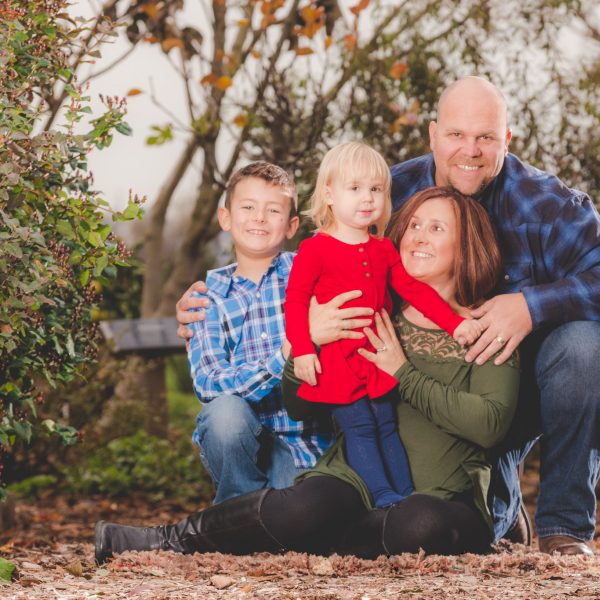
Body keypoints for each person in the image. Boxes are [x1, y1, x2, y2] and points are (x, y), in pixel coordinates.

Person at [175, 76, 600, 555]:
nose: (469, 150)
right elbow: (321, 261)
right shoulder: (392, 191)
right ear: (432, 135)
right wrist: (221, 296)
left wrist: (530, 306)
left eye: (486, 137)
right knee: (367, 494)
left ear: (506, 140)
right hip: (405, 389)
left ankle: (565, 529)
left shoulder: (544, 203)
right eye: (456, 135)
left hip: (515, 381)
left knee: (587, 342)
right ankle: (485, 504)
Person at [95, 186, 519, 564]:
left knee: (419, 523)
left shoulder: (487, 325)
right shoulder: (372, 310)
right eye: (414, 225)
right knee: (303, 506)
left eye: (438, 229)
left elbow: (489, 426)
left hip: (445, 495)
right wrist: (307, 347)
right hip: (357, 482)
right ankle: (159, 540)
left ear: (467, 245)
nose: (419, 237)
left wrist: (403, 373)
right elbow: (298, 404)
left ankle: (328, 540)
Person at [285, 141, 481, 508]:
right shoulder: (316, 248)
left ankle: (406, 498)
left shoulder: (383, 249)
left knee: (386, 425)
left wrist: (454, 326)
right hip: (338, 360)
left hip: (376, 357)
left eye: (375, 189)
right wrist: (303, 349)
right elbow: (295, 302)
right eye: (355, 188)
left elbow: (414, 291)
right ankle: (382, 497)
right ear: (329, 193)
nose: (367, 198)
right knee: (359, 427)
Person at [185, 161, 332, 504]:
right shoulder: (207, 299)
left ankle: (257, 517)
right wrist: (282, 357)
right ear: (226, 218)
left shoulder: (310, 273)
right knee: (223, 414)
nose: (259, 218)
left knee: (296, 515)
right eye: (247, 207)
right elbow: (208, 383)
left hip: (305, 446)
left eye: (273, 210)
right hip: (241, 444)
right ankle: (237, 510)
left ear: (292, 225)